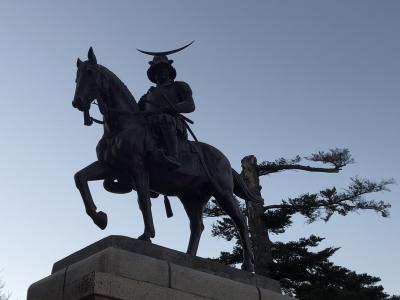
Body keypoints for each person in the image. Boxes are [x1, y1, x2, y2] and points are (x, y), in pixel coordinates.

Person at [138, 44, 195, 169]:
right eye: (156, 70)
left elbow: (190, 105)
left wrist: (171, 108)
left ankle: (173, 156)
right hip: (150, 124)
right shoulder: (148, 94)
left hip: (173, 123)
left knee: (164, 119)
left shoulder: (179, 86)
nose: (159, 72)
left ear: (169, 70)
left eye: (162, 69)